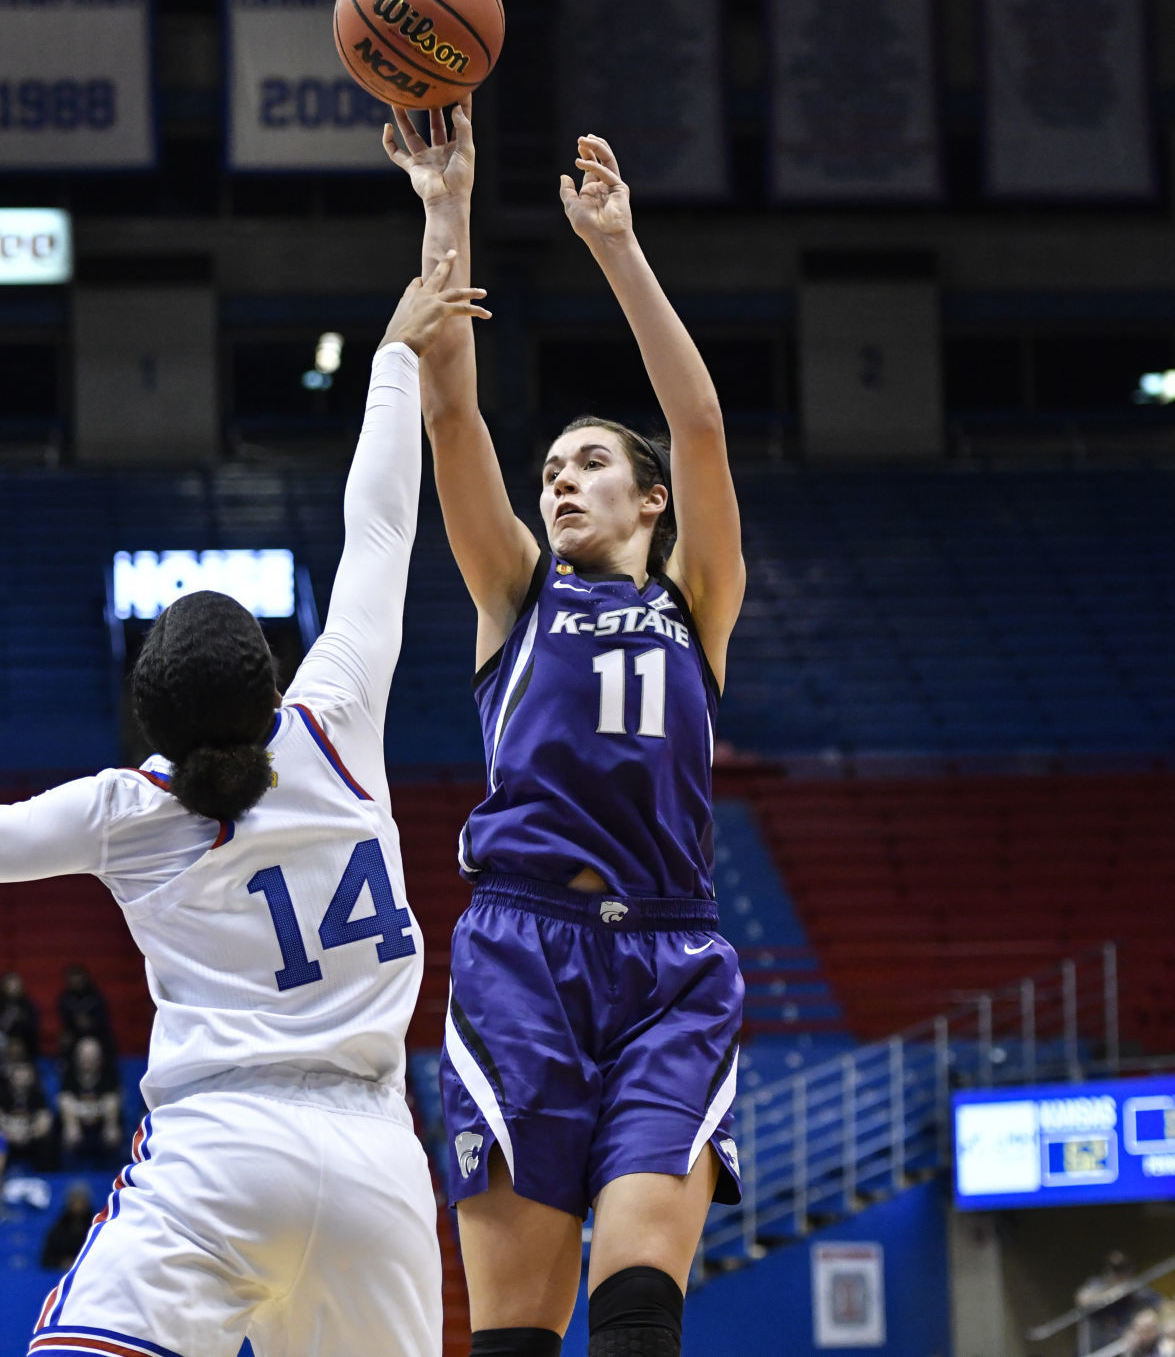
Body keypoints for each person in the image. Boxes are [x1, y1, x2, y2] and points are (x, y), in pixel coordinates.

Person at [1, 254, 489, 1357]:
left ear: (151, 725)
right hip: (377, 1164)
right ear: (275, 680)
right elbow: (379, 531)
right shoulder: (334, 720)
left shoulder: (126, 807)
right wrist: (391, 359)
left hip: (219, 1148)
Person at [386, 101, 745, 1357]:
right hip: (520, 955)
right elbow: (449, 420)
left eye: (587, 461)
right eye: (551, 467)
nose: (558, 476)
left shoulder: (694, 599)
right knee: (518, 1335)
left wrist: (616, 249)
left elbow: (697, 425)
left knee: (639, 1305)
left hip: (669, 963)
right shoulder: (515, 594)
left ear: (648, 499)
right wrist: (446, 205)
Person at [1076, 1251, 1161, 1352]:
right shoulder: (1098, 1284)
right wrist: (1112, 1293)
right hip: (1099, 1344)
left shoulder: (1134, 1288)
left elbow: (1160, 1304)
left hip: (1129, 1341)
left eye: (1121, 1268)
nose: (1117, 1274)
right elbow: (1082, 1299)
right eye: (1114, 1269)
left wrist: (1145, 1321)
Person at [57, 1035, 122, 1166]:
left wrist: (109, 1123)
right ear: (77, 1056)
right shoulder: (69, 1074)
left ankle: (112, 1170)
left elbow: (113, 1100)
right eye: (84, 1054)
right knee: (66, 1105)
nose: (88, 1058)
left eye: (92, 1054)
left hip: (102, 1125)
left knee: (112, 1105)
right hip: (77, 1126)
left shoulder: (108, 1075)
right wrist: (73, 1122)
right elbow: (64, 1100)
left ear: (100, 1057)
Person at [0, 1038, 55, 1171]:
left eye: (26, 1074)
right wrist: (11, 1134)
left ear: (32, 1076)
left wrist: (28, 1133)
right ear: (12, 1076)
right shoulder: (3, 1094)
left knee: (48, 1139)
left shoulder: (38, 1095)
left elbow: (44, 1120)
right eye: (19, 1074)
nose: (22, 1077)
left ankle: (47, 1177)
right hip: (8, 1137)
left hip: (30, 1138)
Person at [56, 966, 112, 1060]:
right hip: (74, 1033)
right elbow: (64, 1019)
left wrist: (90, 1022)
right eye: (73, 982)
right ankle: (66, 1067)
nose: (76, 984)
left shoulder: (96, 997)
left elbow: (103, 1017)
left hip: (97, 1032)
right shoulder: (65, 998)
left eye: (79, 982)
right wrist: (75, 1022)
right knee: (65, 1041)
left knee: (105, 1042)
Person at [40, 1183, 96, 1272]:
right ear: (69, 1204)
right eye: (75, 1202)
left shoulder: (97, 1227)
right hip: (62, 1277)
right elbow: (45, 1260)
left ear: (87, 1203)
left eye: (81, 1202)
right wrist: (61, 1263)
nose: (78, 1207)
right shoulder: (57, 1229)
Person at [0, 970, 41, 1057]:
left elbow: (34, 1026)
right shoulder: (1, 1004)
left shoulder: (28, 1005)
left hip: (25, 1042)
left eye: (16, 985)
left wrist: (21, 1021)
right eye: (10, 985)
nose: (14, 988)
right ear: (3, 987)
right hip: (5, 1042)